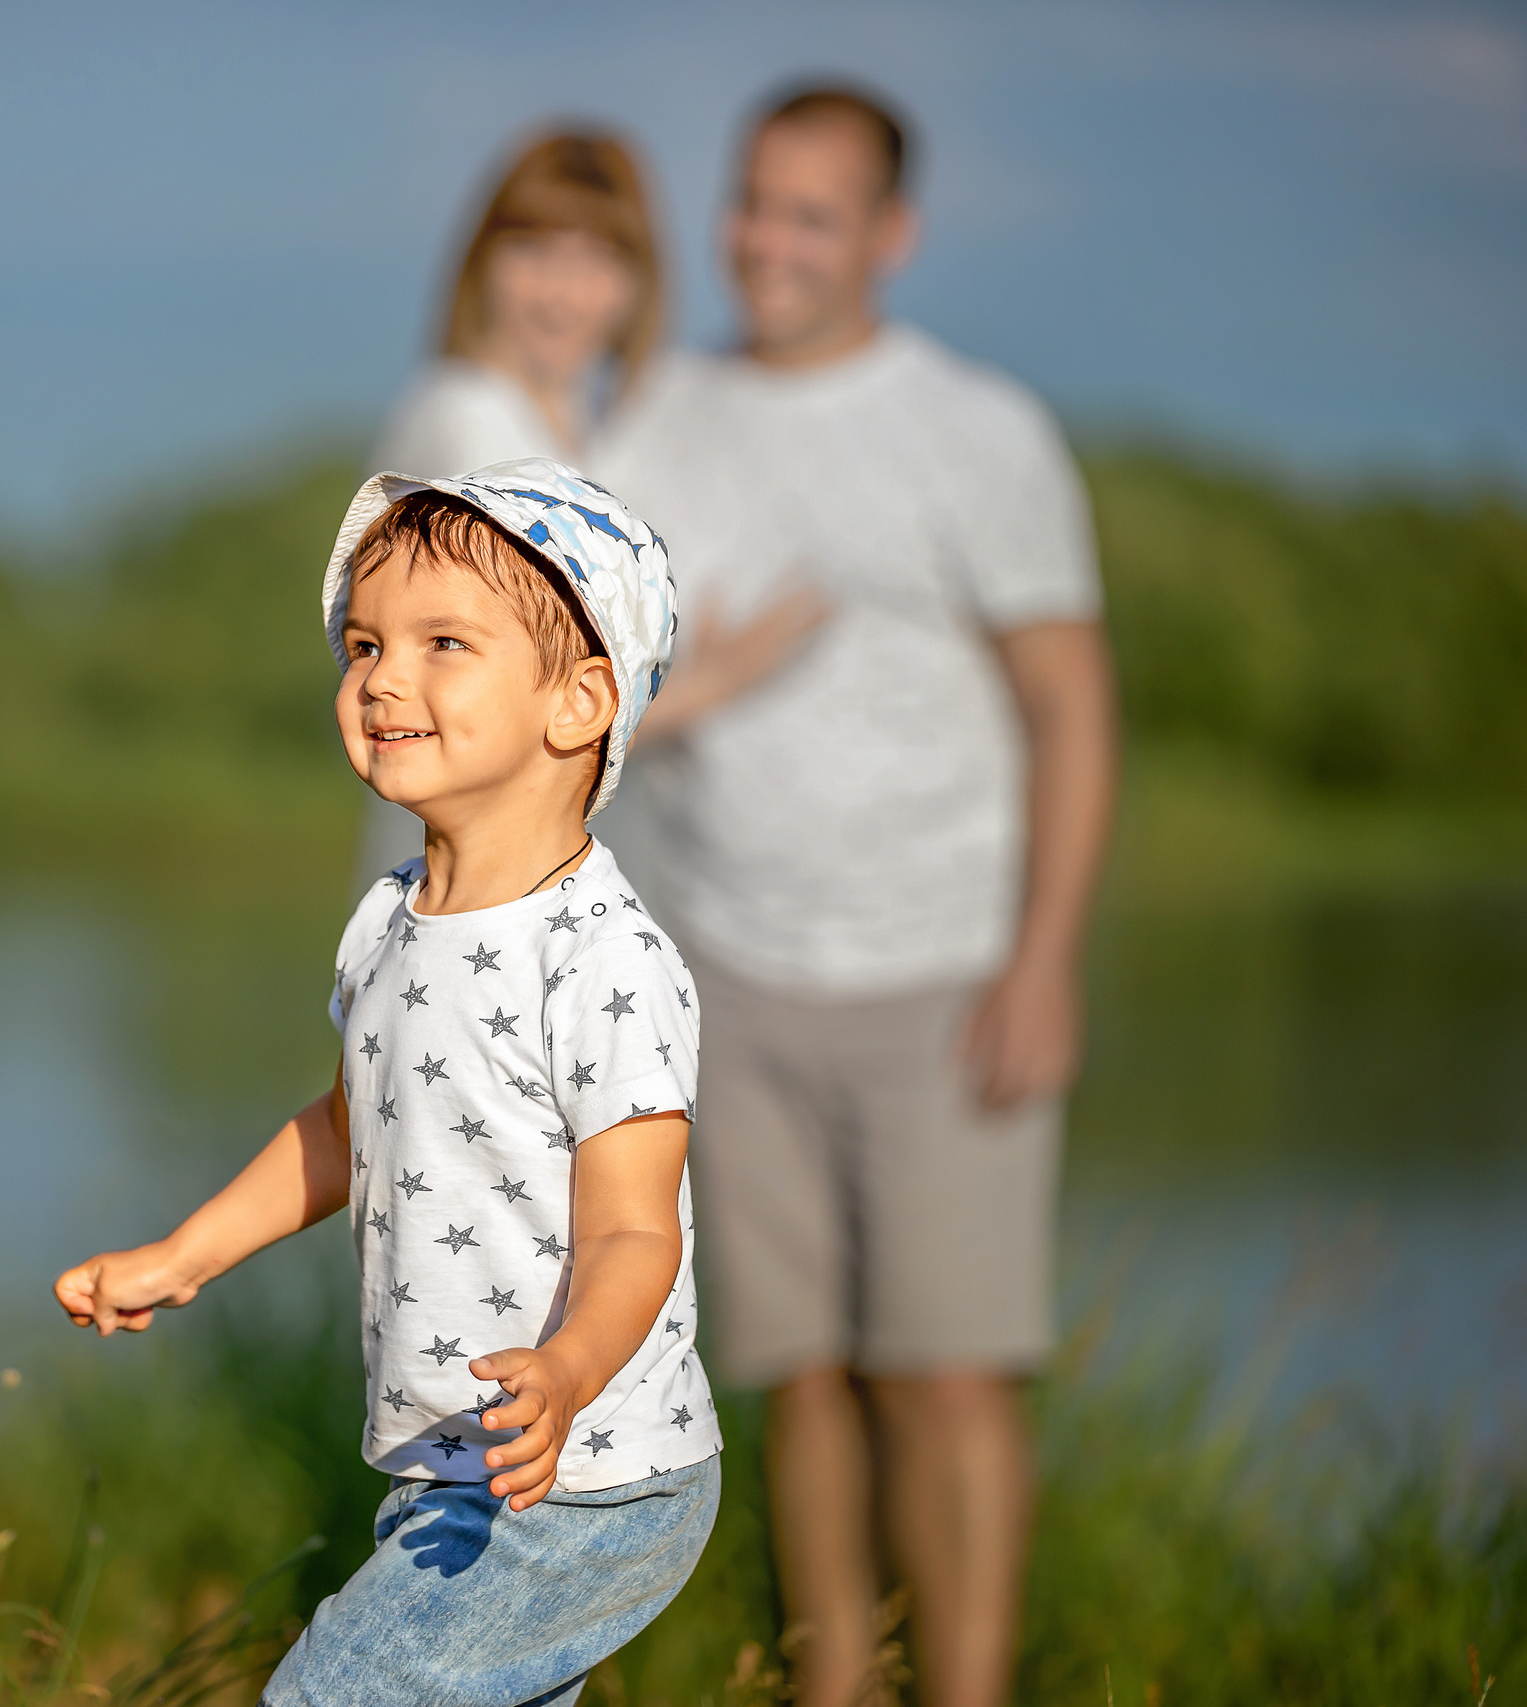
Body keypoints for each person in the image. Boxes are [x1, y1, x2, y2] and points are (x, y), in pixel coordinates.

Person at [590, 85, 1118, 1707]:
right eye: (753, 203)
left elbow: (1069, 705)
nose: (767, 241)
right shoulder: (659, 411)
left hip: (943, 967)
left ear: (890, 237)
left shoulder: (979, 429)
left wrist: (1044, 959)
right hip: (726, 970)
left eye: (812, 214)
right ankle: (835, 1687)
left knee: (950, 1372)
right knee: (798, 1375)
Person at [55, 460, 718, 1706]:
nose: (382, 678)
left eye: (443, 642)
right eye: (363, 643)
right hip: (447, 1461)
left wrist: (569, 1370)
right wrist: (184, 1256)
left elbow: (637, 1224)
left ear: (578, 704)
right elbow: (348, 1127)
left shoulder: (602, 959)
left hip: (583, 1476)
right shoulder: (388, 922)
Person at [356, 130, 667, 890]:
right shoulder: (470, 421)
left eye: (599, 259)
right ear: (483, 262)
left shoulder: (596, 425)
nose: (564, 292)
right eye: (534, 251)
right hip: (482, 889)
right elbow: (519, 688)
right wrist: (714, 682)